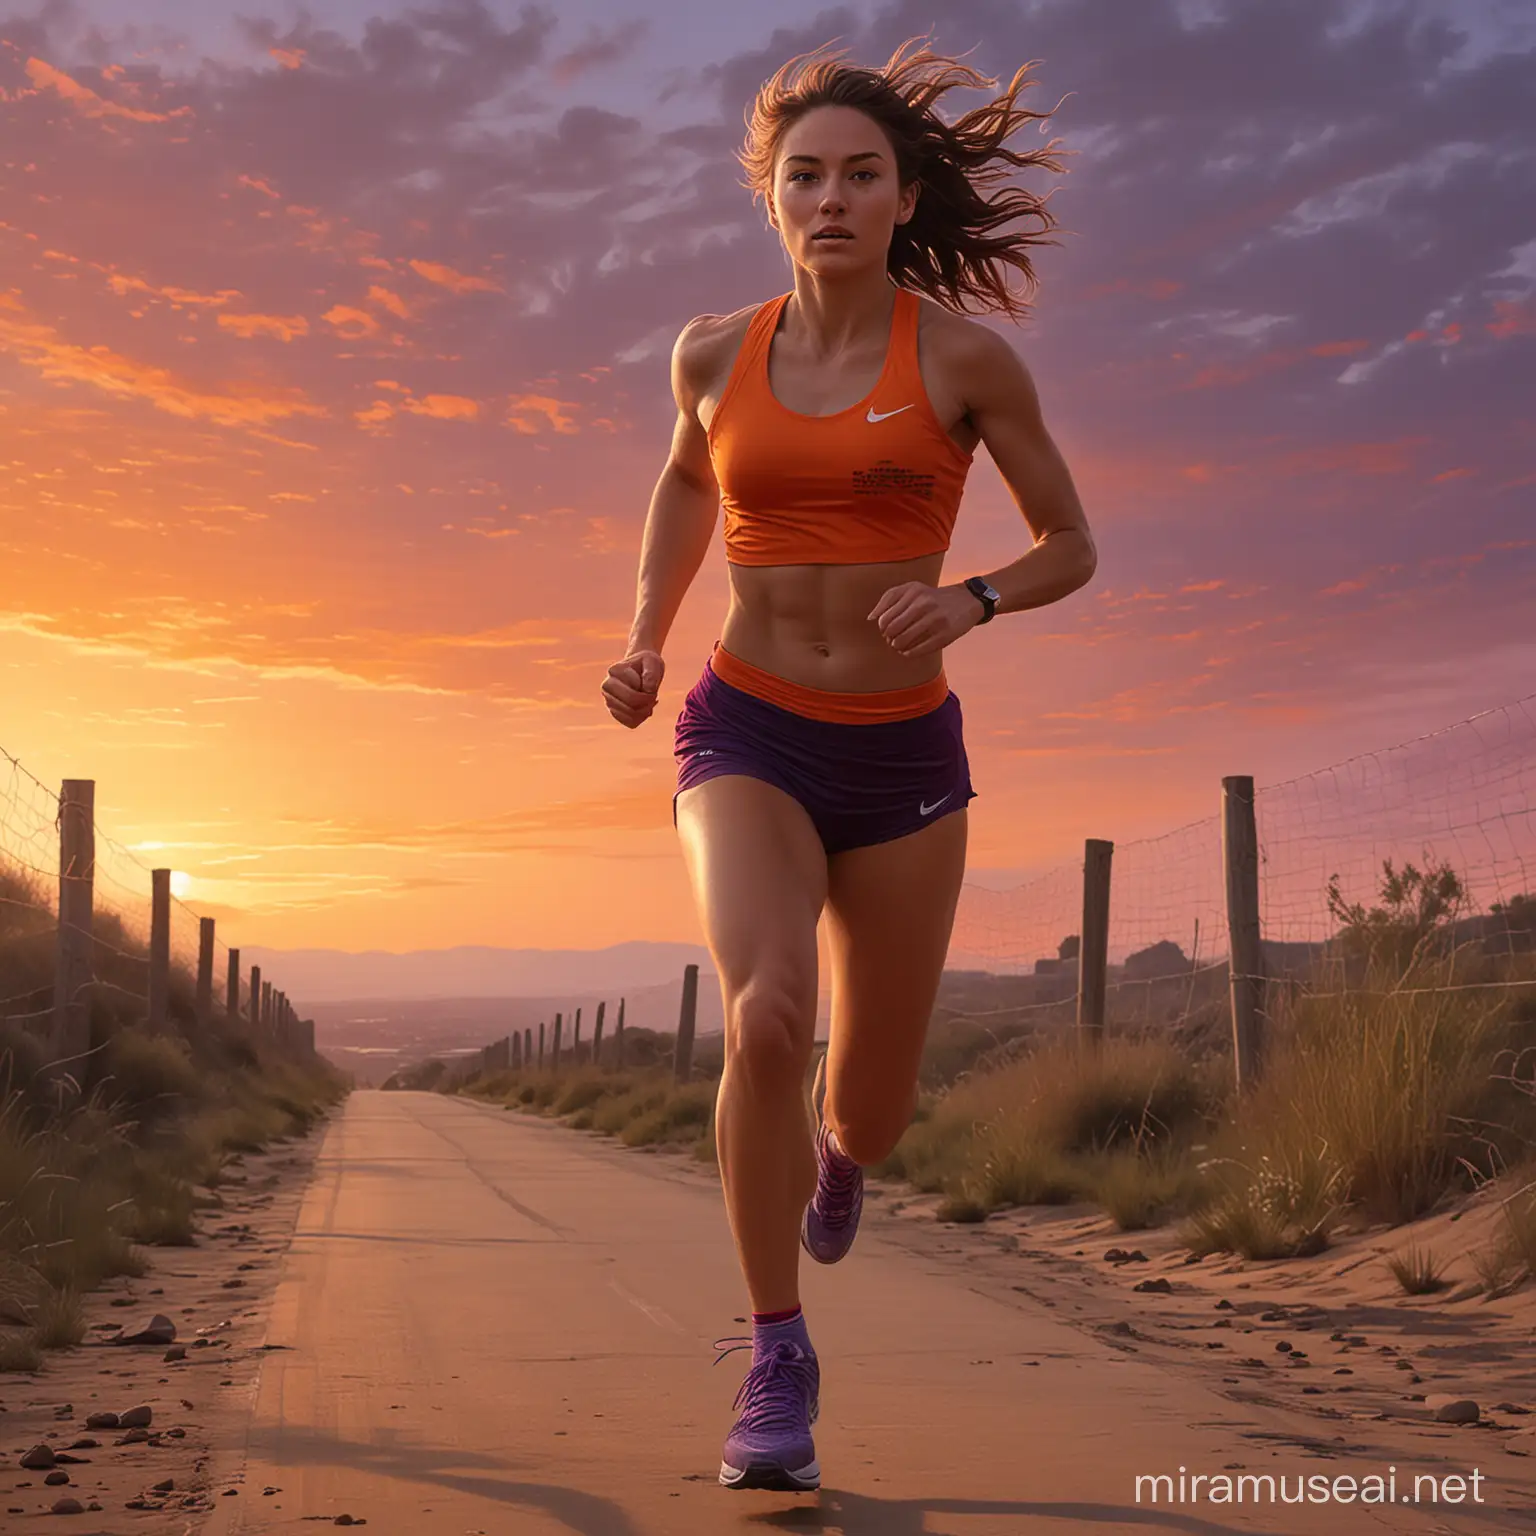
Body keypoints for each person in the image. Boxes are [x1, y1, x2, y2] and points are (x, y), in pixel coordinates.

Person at [601, 37, 1096, 1492]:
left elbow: (1073, 541)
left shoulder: (961, 358)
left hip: (903, 759)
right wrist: (643, 637)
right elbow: (688, 481)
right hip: (743, 725)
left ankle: (842, 1154)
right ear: (771, 198)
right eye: (801, 174)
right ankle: (776, 1348)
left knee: (868, 1100)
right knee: (763, 1017)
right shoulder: (711, 353)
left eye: (858, 175)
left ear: (901, 194)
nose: (830, 197)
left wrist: (975, 598)